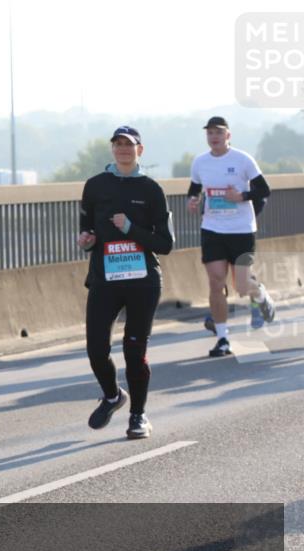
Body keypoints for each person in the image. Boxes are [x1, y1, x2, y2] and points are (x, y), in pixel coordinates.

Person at [78, 126, 173, 439]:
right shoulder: (95, 186)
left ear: (139, 151)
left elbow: (165, 243)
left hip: (143, 281)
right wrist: (87, 240)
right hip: (105, 279)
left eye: (129, 145)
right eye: (118, 145)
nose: (123, 150)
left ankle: (138, 415)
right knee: (96, 349)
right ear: (112, 150)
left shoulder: (151, 190)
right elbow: (87, 230)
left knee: (134, 350)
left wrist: (130, 227)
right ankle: (112, 395)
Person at [187, 116, 274, 357]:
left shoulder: (242, 159)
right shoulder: (200, 162)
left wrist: (242, 196)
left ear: (228, 136)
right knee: (216, 282)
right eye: (210, 133)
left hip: (241, 229)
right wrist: (192, 201)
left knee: (243, 286)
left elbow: (263, 189)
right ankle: (223, 339)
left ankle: (261, 294)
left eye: (218, 132)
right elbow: (194, 187)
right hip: (212, 229)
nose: (214, 137)